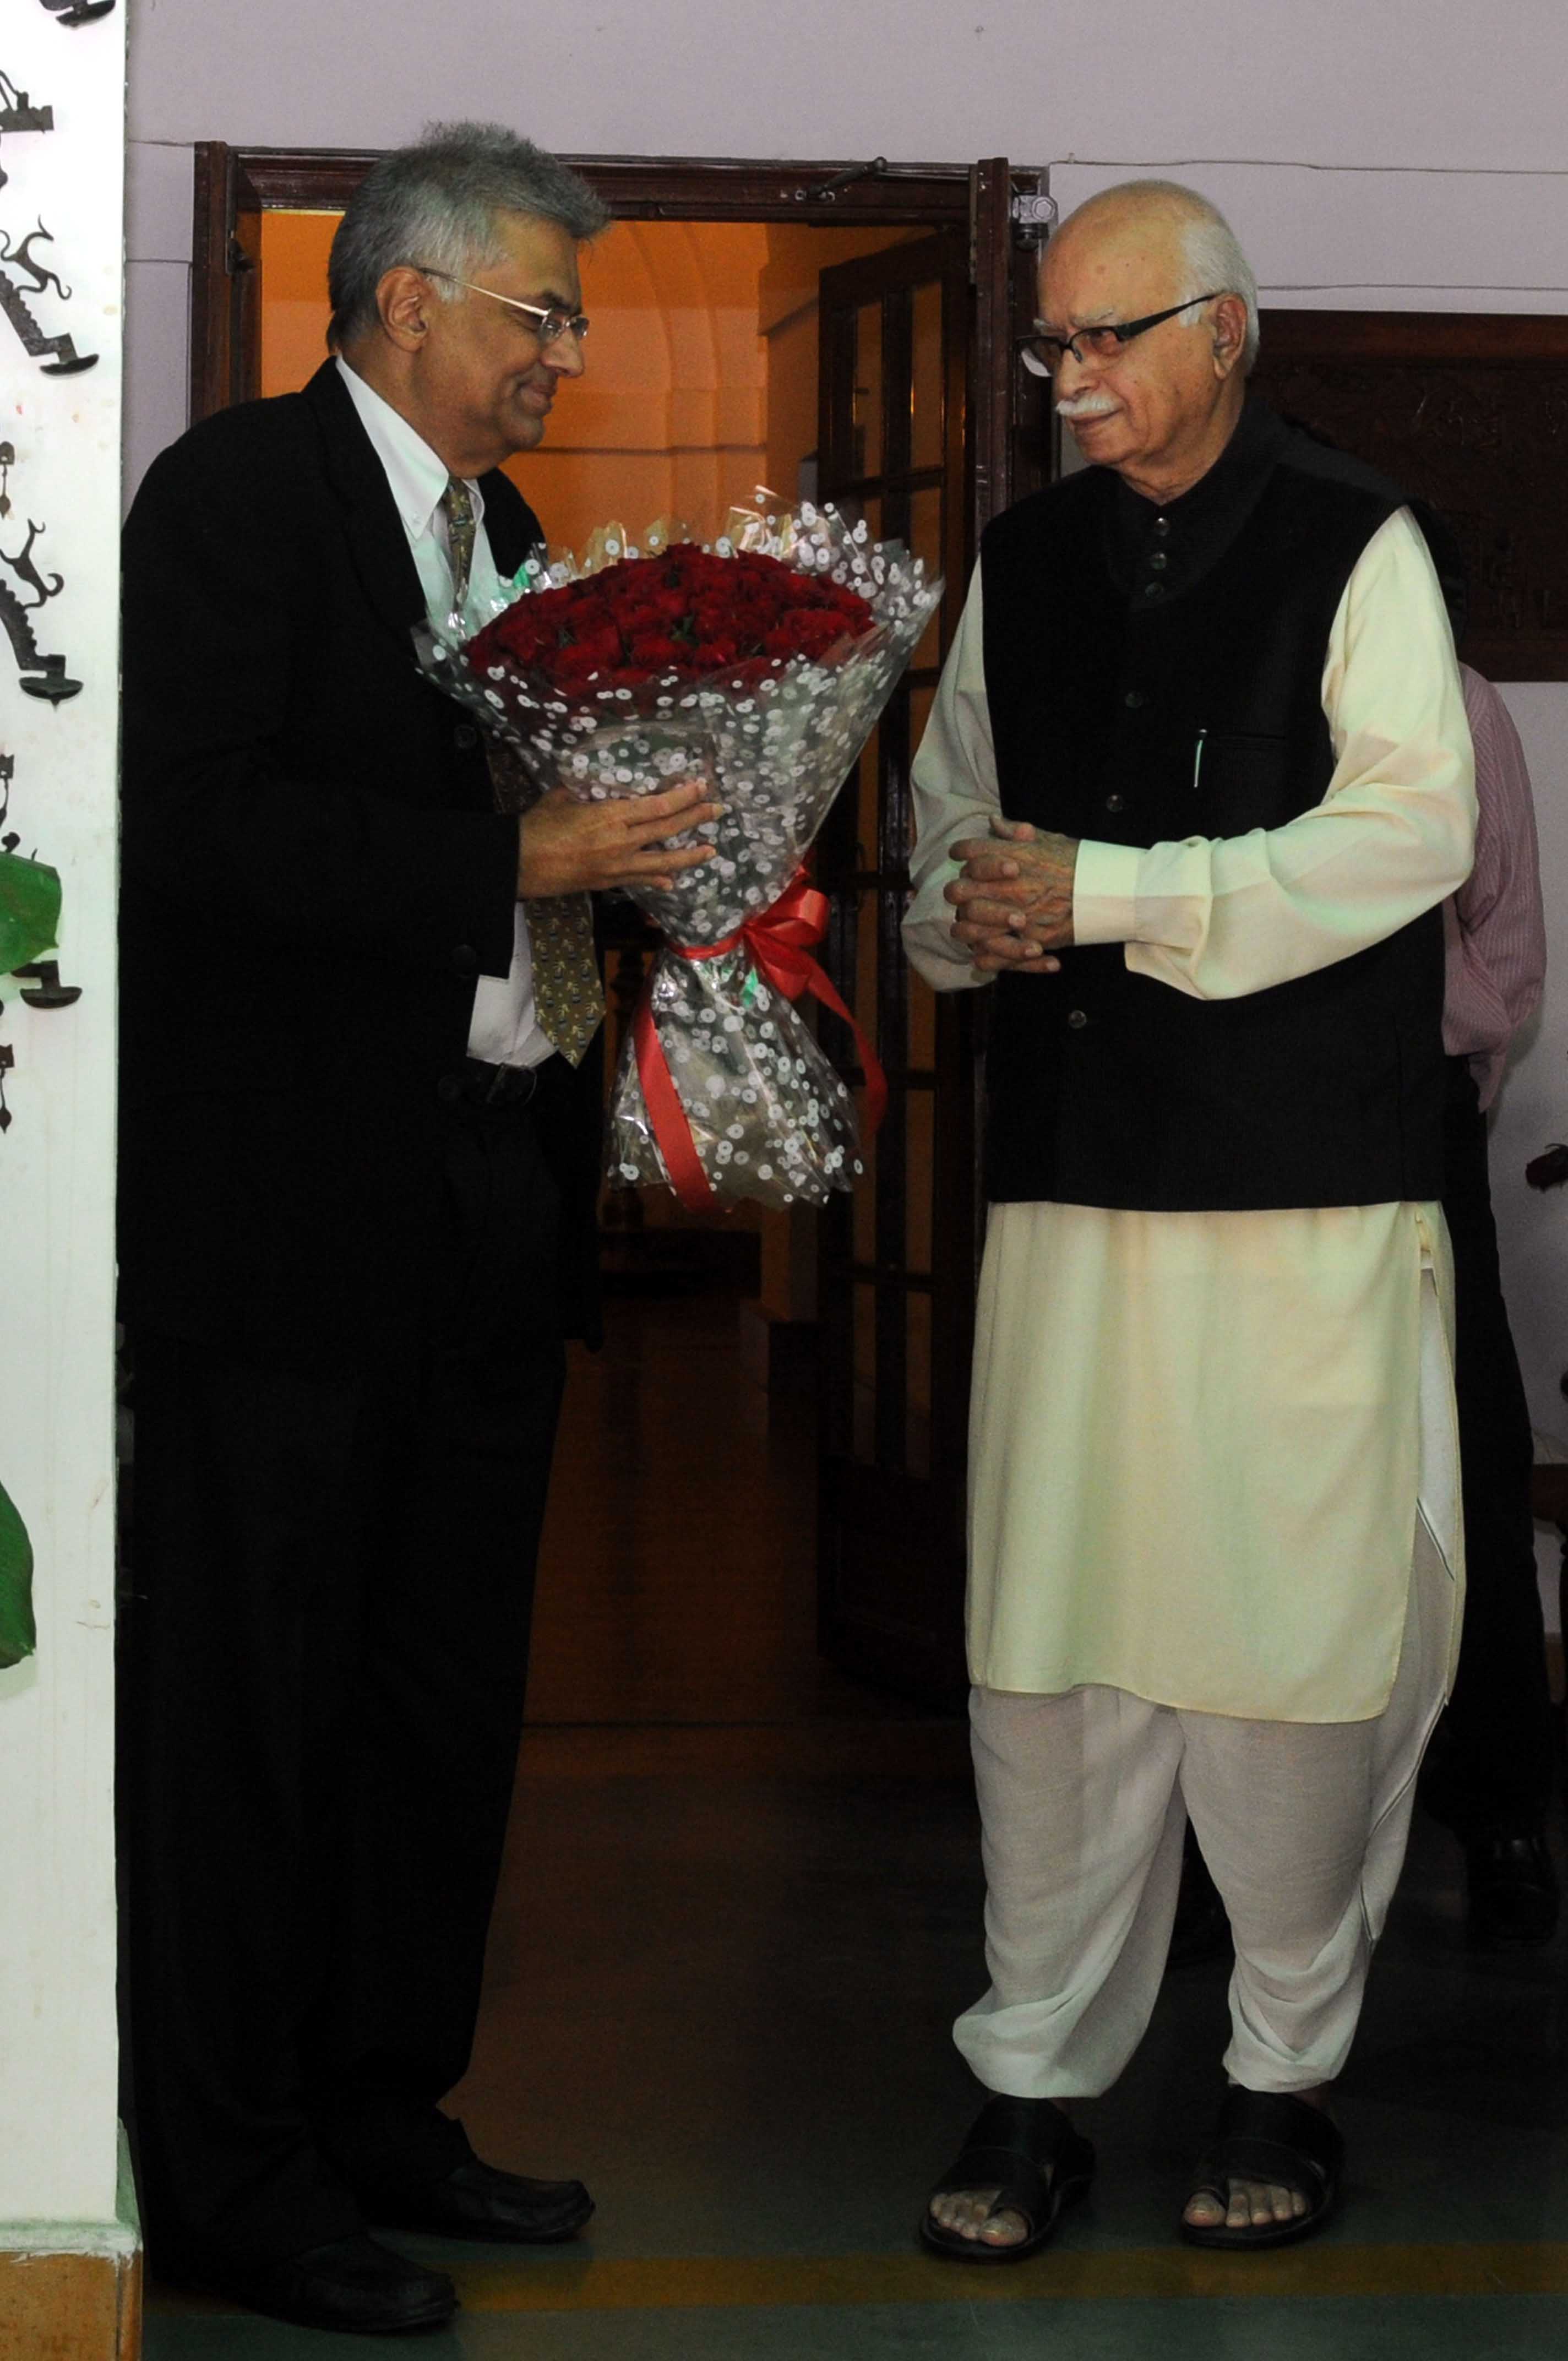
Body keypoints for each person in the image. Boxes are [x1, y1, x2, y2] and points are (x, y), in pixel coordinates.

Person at [118, 123, 718, 2337]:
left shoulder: (509, 530)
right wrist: (513, 874)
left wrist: (655, 865)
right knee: (255, 1713)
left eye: (566, 314)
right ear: (403, 307)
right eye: (540, 309)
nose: (563, 350)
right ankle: (234, 2170)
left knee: (436, 1703)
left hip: (481, 1201)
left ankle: (382, 2106)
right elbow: (186, 831)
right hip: (283, 1230)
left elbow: (528, 838)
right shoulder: (234, 507)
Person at [902, 180, 1476, 2257]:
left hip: (1299, 1198)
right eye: (1052, 348)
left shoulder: (1356, 539)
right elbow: (951, 813)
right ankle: (1033, 2079)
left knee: (1289, 1654)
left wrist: (1124, 894)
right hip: (1069, 1190)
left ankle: (1276, 2073)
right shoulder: (1022, 562)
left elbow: (1413, 826)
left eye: (1106, 342)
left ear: (1225, 328)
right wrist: (958, 914)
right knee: (1045, 1661)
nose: (1071, 389)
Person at [1423, 665, 1556, 1940]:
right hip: (1235, 1124)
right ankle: (1210, 1853)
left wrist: (1455, 1062)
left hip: (1410, 1105)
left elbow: (1505, 932)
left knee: (1468, 1454)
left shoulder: (1452, 695)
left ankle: (1503, 1807)